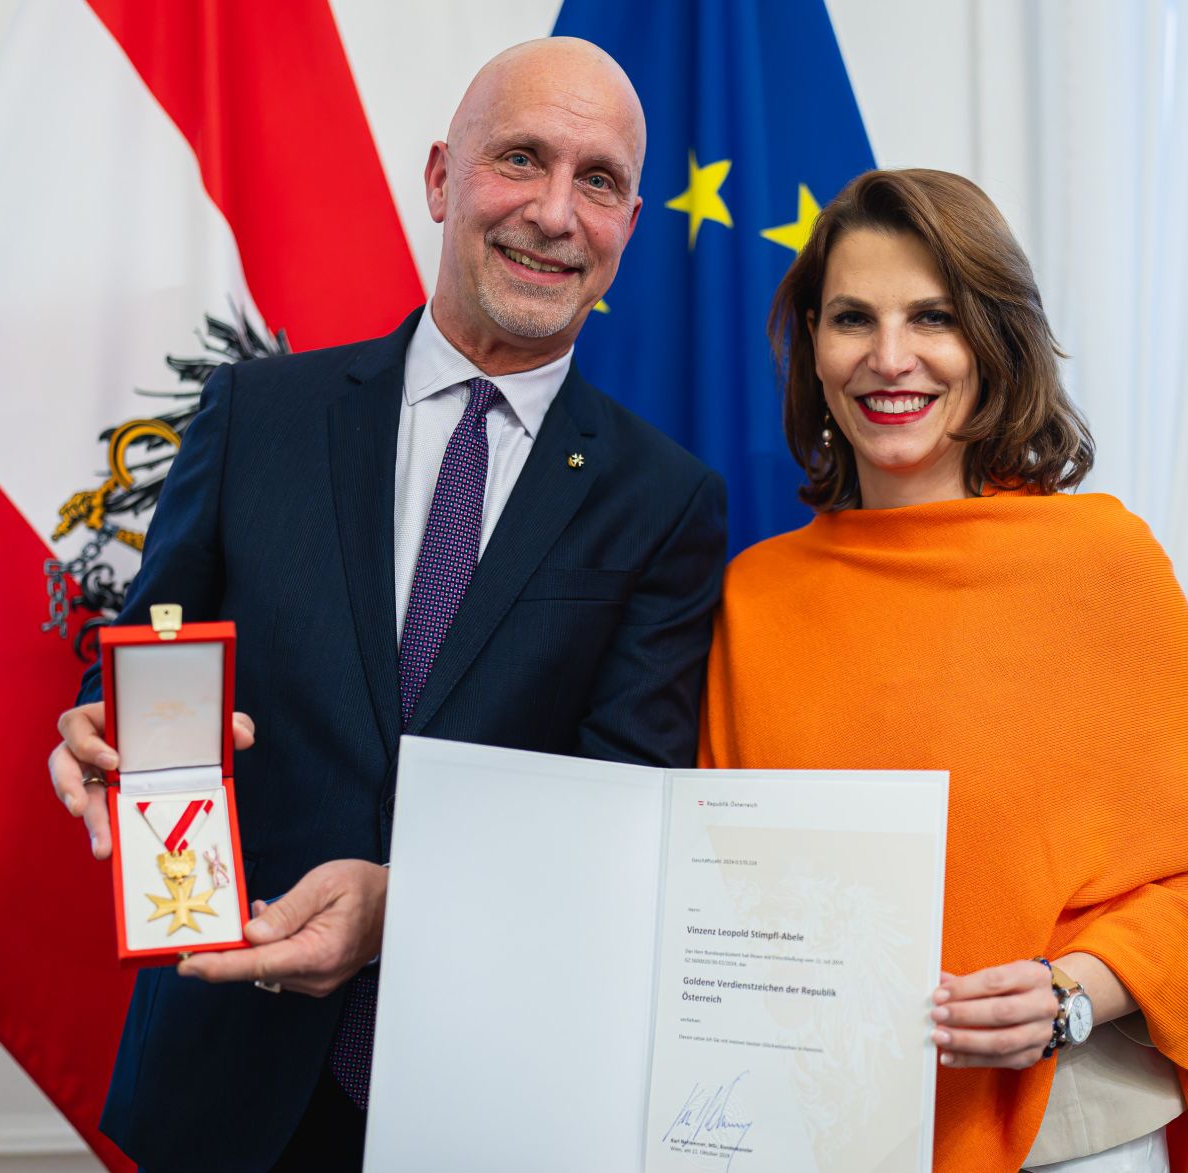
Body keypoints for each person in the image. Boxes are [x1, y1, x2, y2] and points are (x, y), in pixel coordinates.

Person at [47, 38, 727, 1171]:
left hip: (494, 1092)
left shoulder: (663, 502)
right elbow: (147, 656)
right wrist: (98, 723)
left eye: (598, 181)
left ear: (626, 226)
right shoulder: (256, 415)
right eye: (519, 159)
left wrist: (399, 908)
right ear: (439, 180)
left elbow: (619, 818)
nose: (555, 214)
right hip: (228, 1068)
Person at [700, 169, 1188, 1173]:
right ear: (812, 351)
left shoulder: (1105, 566)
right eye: (851, 318)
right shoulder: (753, 599)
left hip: (1060, 1127)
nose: (889, 357)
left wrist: (1068, 994)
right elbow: (721, 891)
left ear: (992, 346)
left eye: (932, 318)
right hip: (806, 1126)